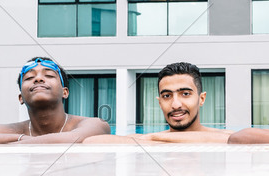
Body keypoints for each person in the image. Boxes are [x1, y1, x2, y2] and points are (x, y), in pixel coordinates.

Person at [0, 57, 110, 144]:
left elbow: (75, 138)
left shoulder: (94, 123)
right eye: (29, 78)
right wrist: (19, 138)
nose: (38, 79)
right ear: (21, 97)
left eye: (48, 75)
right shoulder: (15, 130)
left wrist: (13, 142)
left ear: (65, 92)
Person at [84, 62, 231, 144]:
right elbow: (91, 142)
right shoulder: (149, 138)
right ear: (159, 102)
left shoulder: (151, 138)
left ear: (202, 98)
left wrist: (152, 138)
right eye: (167, 96)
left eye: (185, 94)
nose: (175, 104)